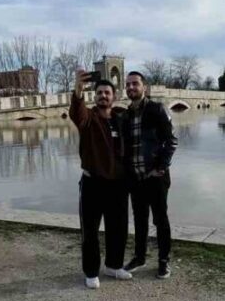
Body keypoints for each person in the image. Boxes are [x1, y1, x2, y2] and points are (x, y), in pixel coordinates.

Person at [69, 70, 132, 289]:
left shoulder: (120, 119)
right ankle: (91, 271)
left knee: (118, 227)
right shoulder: (88, 118)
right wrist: (78, 90)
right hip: (93, 184)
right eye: (99, 93)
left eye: (107, 92)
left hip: (118, 185)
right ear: (94, 96)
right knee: (90, 231)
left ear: (113, 97)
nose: (103, 96)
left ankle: (113, 266)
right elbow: (77, 113)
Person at [118, 71, 178, 279]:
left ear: (144, 87)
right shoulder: (125, 116)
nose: (131, 87)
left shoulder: (156, 110)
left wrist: (161, 167)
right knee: (140, 220)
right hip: (135, 179)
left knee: (160, 220)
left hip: (155, 177)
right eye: (128, 85)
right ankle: (140, 256)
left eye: (135, 84)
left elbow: (171, 141)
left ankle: (163, 261)